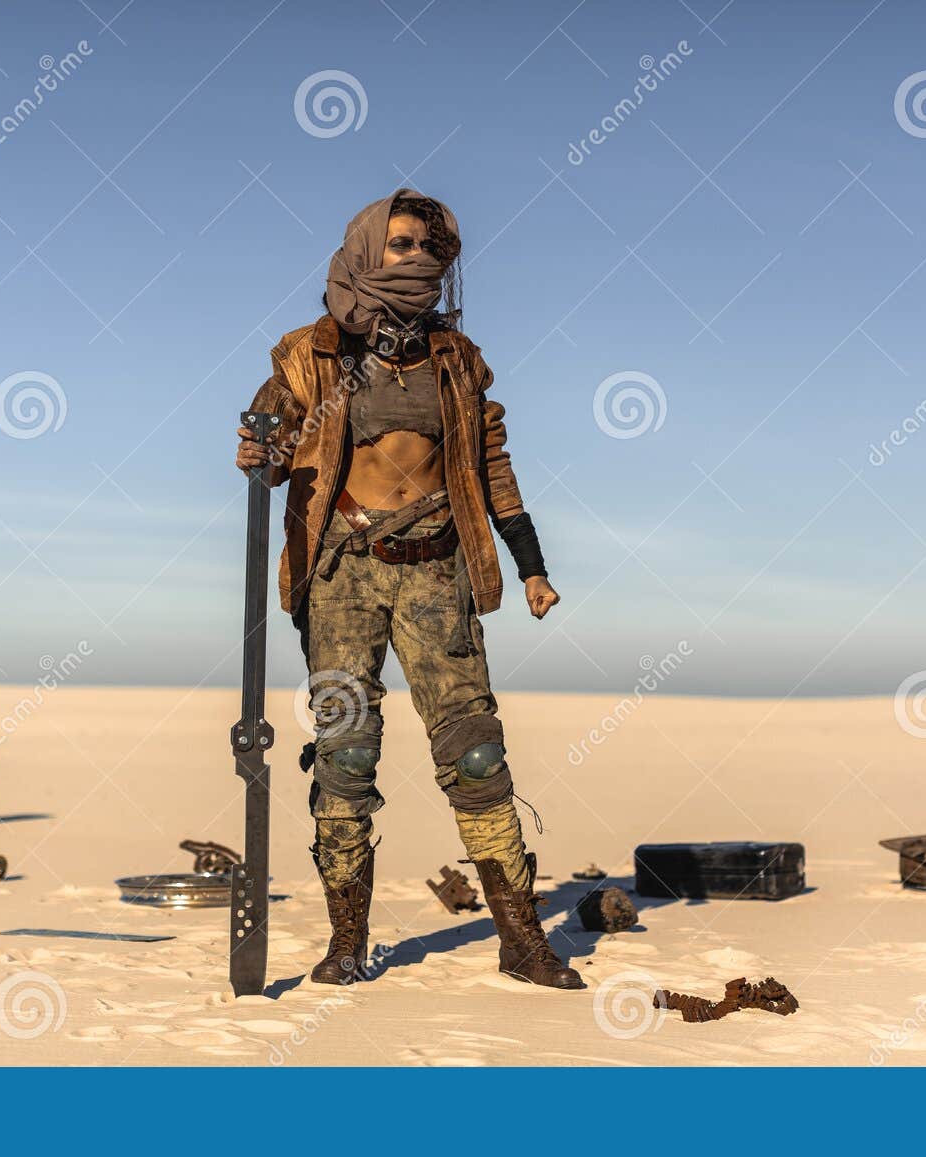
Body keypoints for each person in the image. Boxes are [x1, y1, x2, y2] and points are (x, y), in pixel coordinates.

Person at [235, 188, 582, 991]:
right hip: (343, 575)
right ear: (364, 248)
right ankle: (346, 941)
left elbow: (490, 464)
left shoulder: (456, 362)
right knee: (346, 754)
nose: (417, 257)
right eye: (400, 244)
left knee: (476, 753)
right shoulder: (310, 353)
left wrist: (529, 563)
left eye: (429, 247)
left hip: (438, 569)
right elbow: (278, 439)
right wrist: (261, 439)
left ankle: (522, 940)